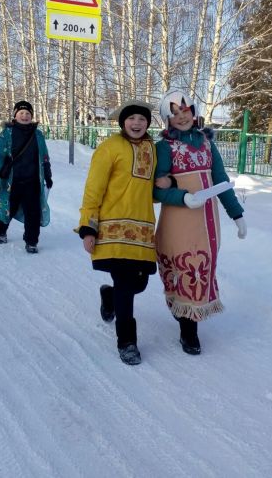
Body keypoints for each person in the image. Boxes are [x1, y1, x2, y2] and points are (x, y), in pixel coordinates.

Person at [152, 90, 247, 355]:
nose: (182, 116)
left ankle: (188, 321)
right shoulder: (164, 147)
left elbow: (221, 181)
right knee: (183, 268)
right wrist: (182, 197)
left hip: (208, 221)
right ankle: (188, 329)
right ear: (167, 119)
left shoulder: (206, 143)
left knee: (202, 268)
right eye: (175, 113)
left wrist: (237, 215)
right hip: (178, 219)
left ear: (194, 112)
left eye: (186, 111)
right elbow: (156, 191)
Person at [77, 100, 157, 366]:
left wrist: (169, 184)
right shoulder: (110, 147)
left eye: (142, 119)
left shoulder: (151, 148)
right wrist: (88, 226)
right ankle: (127, 342)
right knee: (125, 286)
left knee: (139, 284)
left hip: (142, 230)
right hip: (113, 229)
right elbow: (94, 188)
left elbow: (150, 188)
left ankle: (108, 296)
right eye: (132, 118)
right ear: (122, 122)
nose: (137, 123)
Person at [0, 101, 52, 253]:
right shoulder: (7, 133)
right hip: (12, 182)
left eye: (28, 114)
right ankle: (1, 231)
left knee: (33, 212)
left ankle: (31, 241)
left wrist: (48, 174)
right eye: (21, 113)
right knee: (7, 208)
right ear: (15, 116)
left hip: (32, 182)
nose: (25, 116)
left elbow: (44, 156)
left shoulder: (38, 135)